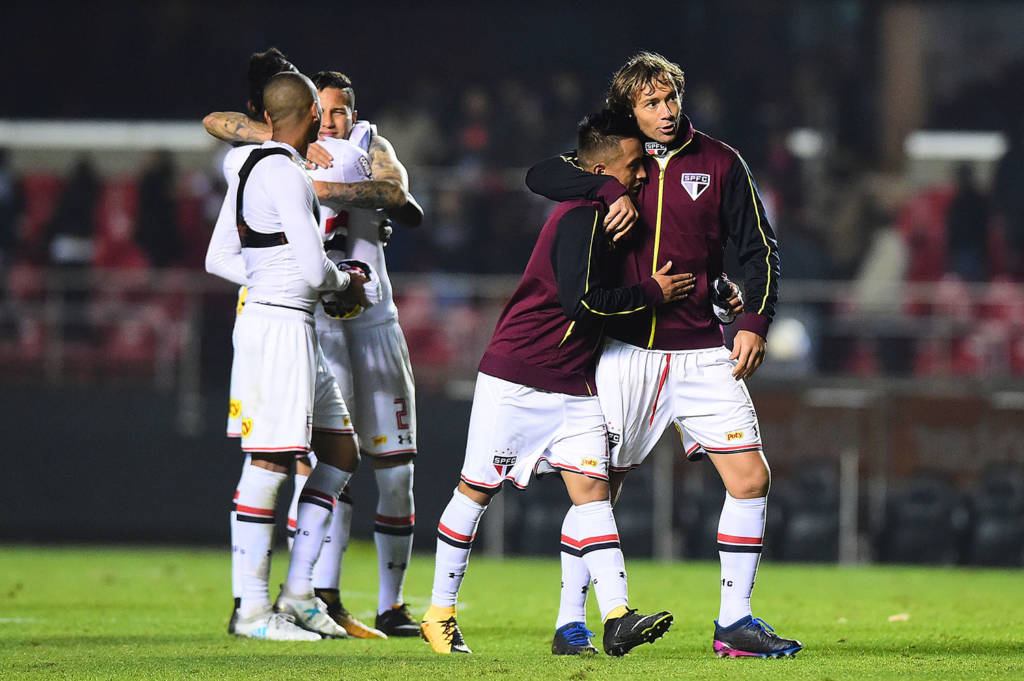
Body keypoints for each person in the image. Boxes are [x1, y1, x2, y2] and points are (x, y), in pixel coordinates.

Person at [525, 52, 801, 658]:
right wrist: (605, 187)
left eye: (671, 97)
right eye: (651, 102)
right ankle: (571, 623)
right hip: (626, 352)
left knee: (751, 478)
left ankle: (735, 622)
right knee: (597, 490)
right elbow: (539, 175)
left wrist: (754, 322)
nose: (666, 110)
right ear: (630, 109)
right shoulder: (619, 161)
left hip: (701, 350)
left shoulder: (721, 161)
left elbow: (760, 248)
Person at [420, 109, 692, 656]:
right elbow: (583, 304)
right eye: (634, 164)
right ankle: (439, 613)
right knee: (476, 490)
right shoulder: (581, 217)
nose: (642, 173)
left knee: (592, 494)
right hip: (519, 374)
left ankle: (616, 616)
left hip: (574, 382)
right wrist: (652, 293)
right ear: (601, 170)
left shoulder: (609, 213)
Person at [204, 69, 425, 638]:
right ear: (304, 115)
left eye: (338, 112)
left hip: (304, 321)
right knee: (271, 462)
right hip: (286, 323)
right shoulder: (282, 171)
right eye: (317, 112)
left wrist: (276, 276)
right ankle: (252, 610)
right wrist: (341, 282)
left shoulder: (252, 165)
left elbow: (220, 257)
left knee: (341, 454)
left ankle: (301, 594)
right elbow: (310, 266)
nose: (326, 124)